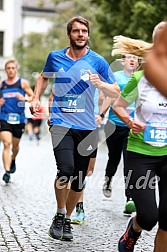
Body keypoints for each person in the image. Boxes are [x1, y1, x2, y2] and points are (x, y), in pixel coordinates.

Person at [30, 16, 119, 241]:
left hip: (87, 126)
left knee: (79, 179)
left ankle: (65, 219)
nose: (80, 34)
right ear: (69, 34)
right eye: (76, 31)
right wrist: (35, 97)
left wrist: (101, 84)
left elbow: (115, 91)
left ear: (88, 35)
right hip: (61, 123)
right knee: (66, 170)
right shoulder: (55, 57)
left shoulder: (98, 61)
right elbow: (43, 77)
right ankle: (60, 213)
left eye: (84, 31)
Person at [112, 21, 167, 252]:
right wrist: (129, 121)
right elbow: (119, 105)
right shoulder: (140, 78)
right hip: (140, 154)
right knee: (149, 217)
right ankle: (133, 229)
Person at [102, 54, 139, 217]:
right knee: (114, 157)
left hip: (132, 125)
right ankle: (108, 180)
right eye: (128, 58)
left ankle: (129, 198)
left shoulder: (141, 78)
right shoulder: (116, 77)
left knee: (129, 161)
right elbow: (110, 97)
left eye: (135, 58)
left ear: (138, 63)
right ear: (123, 62)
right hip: (114, 124)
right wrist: (101, 113)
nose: (132, 60)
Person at [71, 88, 103, 224]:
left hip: (91, 127)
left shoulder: (98, 77)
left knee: (88, 171)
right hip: (73, 126)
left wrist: (101, 114)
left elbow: (111, 94)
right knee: (75, 169)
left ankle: (78, 185)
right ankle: (79, 208)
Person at [0, 59, 33, 183]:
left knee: (15, 146)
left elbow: (33, 98)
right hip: (4, 117)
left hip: (19, 118)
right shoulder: (1, 84)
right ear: (6, 70)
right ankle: (7, 172)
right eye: (8, 68)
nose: (11, 70)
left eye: (13, 68)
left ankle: (13, 159)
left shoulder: (22, 83)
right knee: (6, 143)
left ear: (16, 69)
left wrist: (24, 99)